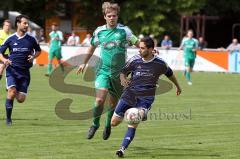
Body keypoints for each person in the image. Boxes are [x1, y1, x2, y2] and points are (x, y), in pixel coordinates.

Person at [76, 2, 138, 140]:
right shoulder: (99, 32)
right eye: (109, 16)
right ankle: (95, 124)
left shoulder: (125, 31)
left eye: (114, 16)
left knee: (112, 104)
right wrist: (83, 63)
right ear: (104, 16)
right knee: (99, 100)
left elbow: (138, 43)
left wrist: (150, 51)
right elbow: (92, 47)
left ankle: (108, 124)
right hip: (102, 71)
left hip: (120, 74)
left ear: (117, 16)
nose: (112, 18)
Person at [111, 37, 182, 157]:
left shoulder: (160, 63)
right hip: (129, 94)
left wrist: (178, 86)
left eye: (142, 48)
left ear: (151, 49)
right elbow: (123, 72)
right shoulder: (135, 60)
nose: (139, 50)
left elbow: (170, 74)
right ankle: (132, 113)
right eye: (139, 47)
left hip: (146, 98)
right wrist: (123, 79)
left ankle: (122, 149)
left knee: (133, 119)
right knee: (114, 123)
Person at [0, 15, 41, 125]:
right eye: (25, 23)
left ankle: (11, 90)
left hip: (25, 73)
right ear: (18, 23)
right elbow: (0, 53)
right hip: (12, 70)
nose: (27, 25)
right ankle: (8, 119)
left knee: (21, 99)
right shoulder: (10, 39)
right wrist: (4, 60)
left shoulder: (31, 39)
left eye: (27, 23)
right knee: (12, 92)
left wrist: (33, 57)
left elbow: (38, 51)